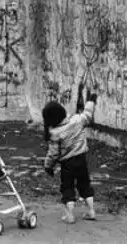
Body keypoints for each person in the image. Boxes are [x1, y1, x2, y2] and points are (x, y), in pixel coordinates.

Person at [42, 87, 98, 224]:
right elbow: (88, 114)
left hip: (67, 165)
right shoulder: (77, 120)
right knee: (85, 185)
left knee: (67, 188)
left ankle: (70, 215)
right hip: (82, 160)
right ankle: (91, 211)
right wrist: (91, 101)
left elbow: (53, 154)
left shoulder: (55, 133)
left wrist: (48, 166)